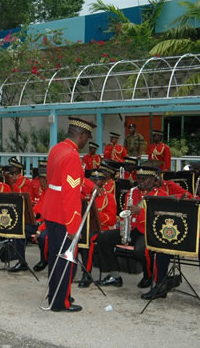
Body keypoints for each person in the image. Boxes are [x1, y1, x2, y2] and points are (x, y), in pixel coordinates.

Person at [147, 170, 200, 311]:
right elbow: (170, 195)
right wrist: (177, 200)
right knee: (162, 244)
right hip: (183, 236)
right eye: (199, 184)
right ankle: (160, 285)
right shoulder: (188, 197)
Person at [43, 116, 98, 313]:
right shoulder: (73, 156)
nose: (87, 143)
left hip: (51, 210)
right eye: (87, 138)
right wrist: (74, 227)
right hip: (63, 214)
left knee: (56, 257)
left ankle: (56, 294)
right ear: (82, 135)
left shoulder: (57, 149)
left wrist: (92, 186)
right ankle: (61, 302)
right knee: (66, 259)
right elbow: (70, 194)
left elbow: (66, 180)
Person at [95, 166, 168, 290]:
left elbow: (162, 217)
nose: (140, 182)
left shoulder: (161, 194)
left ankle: (148, 276)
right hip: (131, 229)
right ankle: (115, 276)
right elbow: (125, 212)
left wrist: (141, 211)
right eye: (138, 179)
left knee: (140, 250)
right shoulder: (132, 192)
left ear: (153, 179)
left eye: (144, 179)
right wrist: (124, 226)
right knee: (103, 238)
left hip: (148, 232)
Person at [77, 167, 118, 288]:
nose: (95, 182)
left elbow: (111, 219)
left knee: (88, 239)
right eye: (92, 179)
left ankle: (87, 273)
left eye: (98, 179)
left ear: (104, 182)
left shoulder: (108, 197)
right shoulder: (83, 195)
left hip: (101, 230)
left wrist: (94, 213)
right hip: (84, 227)